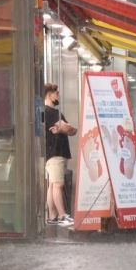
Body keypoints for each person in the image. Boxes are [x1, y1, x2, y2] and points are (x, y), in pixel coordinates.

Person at [44, 83, 77, 226]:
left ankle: (52, 216)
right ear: (49, 94)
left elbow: (72, 130)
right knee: (58, 184)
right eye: (56, 92)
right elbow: (68, 129)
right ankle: (63, 216)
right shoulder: (49, 112)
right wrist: (65, 128)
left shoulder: (56, 112)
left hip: (57, 153)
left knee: (52, 184)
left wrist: (63, 128)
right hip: (55, 153)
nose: (58, 95)